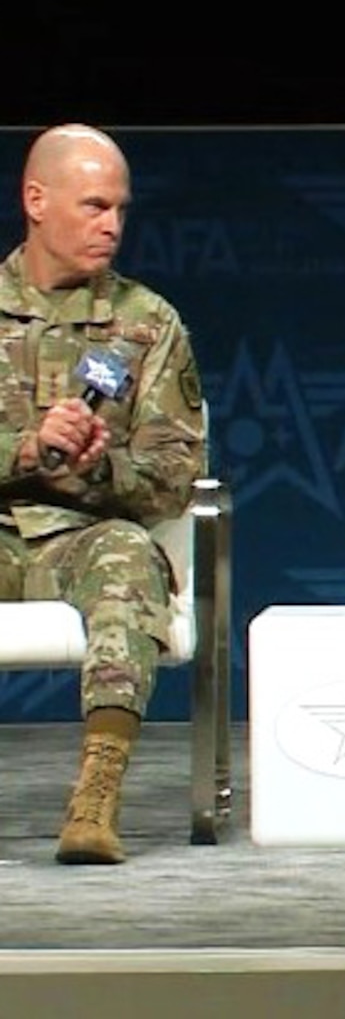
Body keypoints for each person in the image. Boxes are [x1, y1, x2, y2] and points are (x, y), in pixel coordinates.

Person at [0, 124, 207, 864]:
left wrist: (100, 466)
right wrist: (27, 448)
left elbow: (176, 474)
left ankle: (95, 798)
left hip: (81, 537)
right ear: (36, 201)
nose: (111, 225)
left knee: (127, 553)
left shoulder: (146, 325)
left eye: (120, 209)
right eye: (93, 206)